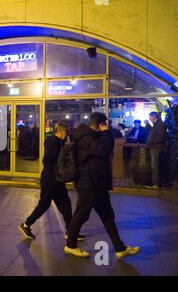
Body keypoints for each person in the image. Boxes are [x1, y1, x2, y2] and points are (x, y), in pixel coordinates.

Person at [64, 112, 140, 259]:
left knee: (107, 216)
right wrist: (106, 133)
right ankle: (70, 245)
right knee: (81, 215)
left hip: (97, 184)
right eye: (106, 125)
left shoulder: (90, 136)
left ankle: (120, 248)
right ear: (101, 124)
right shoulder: (86, 137)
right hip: (89, 183)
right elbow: (103, 150)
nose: (107, 127)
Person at [19, 123, 85, 241]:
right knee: (44, 204)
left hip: (56, 179)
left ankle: (71, 231)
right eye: (66, 132)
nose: (67, 135)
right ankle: (26, 225)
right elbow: (47, 160)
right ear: (60, 131)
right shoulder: (54, 143)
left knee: (65, 204)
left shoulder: (57, 142)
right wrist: (60, 164)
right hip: (50, 179)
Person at [145, 111, 167, 189]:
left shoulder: (160, 125)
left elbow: (161, 137)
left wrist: (150, 141)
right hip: (155, 147)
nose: (149, 118)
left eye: (150, 116)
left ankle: (156, 184)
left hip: (156, 148)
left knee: (155, 166)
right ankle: (156, 184)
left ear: (154, 116)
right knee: (155, 166)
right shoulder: (157, 124)